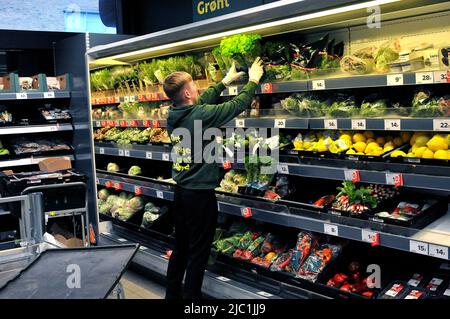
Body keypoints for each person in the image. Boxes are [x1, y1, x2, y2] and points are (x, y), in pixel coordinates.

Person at [163, 57, 264, 299]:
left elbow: (200, 103)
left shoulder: (174, 112)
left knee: (181, 248)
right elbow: (236, 105)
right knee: (199, 251)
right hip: (199, 194)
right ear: (187, 93)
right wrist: (253, 80)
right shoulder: (201, 115)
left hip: (181, 191)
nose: (198, 90)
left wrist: (224, 81)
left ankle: (172, 296)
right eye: (194, 87)